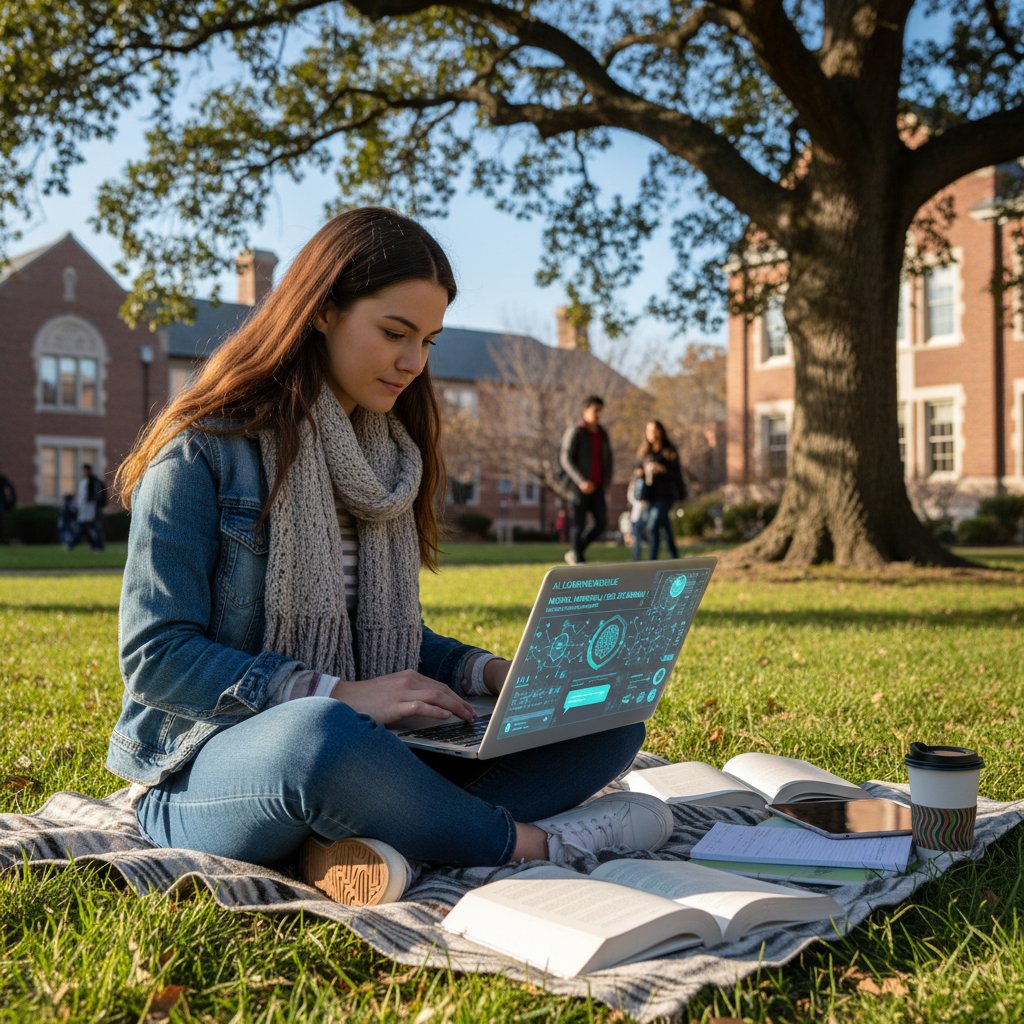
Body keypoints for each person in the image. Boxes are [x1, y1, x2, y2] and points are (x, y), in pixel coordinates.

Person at [106, 208, 671, 909]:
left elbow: (391, 641)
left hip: (371, 751)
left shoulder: (387, 461)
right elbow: (157, 656)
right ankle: (534, 844)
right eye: (395, 333)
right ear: (321, 313)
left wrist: (495, 675)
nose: (414, 362)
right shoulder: (202, 450)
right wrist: (337, 694)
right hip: (207, 767)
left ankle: (353, 840)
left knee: (606, 724)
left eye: (428, 340)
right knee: (319, 737)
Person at [558, 395, 613, 565]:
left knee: (601, 523)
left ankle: (576, 551)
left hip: (597, 487)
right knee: (578, 524)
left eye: (600, 411)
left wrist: (606, 483)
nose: (598, 414)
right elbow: (565, 458)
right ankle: (579, 561)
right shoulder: (576, 431)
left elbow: (608, 460)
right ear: (585, 410)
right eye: (595, 410)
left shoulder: (603, 434)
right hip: (578, 487)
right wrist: (580, 480)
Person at [635, 420, 686, 561]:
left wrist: (662, 469)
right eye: (649, 430)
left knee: (653, 524)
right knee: (664, 527)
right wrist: (640, 472)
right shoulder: (644, 452)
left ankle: (653, 560)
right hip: (649, 495)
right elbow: (636, 469)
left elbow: (677, 474)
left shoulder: (669, 451)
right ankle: (674, 557)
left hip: (665, 495)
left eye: (654, 430)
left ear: (661, 431)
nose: (652, 434)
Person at [70, 464, 105, 551]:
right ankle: (95, 545)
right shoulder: (83, 482)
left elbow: (99, 495)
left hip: (92, 508)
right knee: (85, 528)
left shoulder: (94, 481)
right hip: (84, 509)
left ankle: (98, 545)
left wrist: (96, 502)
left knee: (93, 527)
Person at [626, 476, 648, 560]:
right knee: (636, 539)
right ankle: (636, 556)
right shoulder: (633, 495)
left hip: (639, 518)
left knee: (637, 539)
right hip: (634, 518)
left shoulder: (638, 495)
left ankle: (636, 557)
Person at [0, 468, 15, 544]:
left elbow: (8, 490)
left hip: (1, 506)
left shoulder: (3, 479)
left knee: (2, 524)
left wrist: (9, 499)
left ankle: (3, 540)